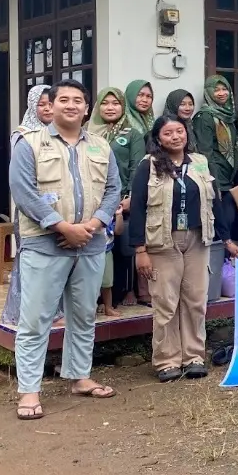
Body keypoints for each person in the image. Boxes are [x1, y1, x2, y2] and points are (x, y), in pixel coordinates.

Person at [9, 79, 121, 420]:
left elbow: (114, 188)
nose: (71, 105)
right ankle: (29, 392)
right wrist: (62, 227)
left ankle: (79, 376)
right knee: (35, 319)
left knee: (83, 314)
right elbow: (23, 191)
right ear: (51, 106)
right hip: (45, 245)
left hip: (89, 244)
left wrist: (94, 225)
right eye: (63, 100)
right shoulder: (29, 144)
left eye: (78, 100)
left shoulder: (101, 146)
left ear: (87, 108)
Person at [130, 115, 216, 382]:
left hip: (197, 239)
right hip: (161, 241)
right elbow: (137, 207)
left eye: (180, 131)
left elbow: (217, 200)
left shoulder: (199, 162)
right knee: (166, 302)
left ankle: (194, 356)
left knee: (195, 299)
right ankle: (167, 360)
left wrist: (227, 237)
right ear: (158, 138)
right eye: (168, 133)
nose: (175, 137)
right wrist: (140, 250)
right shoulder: (149, 165)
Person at [89, 87, 144, 316]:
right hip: (93, 200)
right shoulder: (88, 132)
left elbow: (137, 166)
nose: (110, 107)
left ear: (123, 106)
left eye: (115, 103)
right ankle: (97, 300)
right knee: (96, 249)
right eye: (105, 103)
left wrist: (130, 196)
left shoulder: (133, 133)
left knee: (122, 248)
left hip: (123, 199)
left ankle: (122, 293)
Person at [1, 85, 52, 327]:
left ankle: (53, 313)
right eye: (42, 104)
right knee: (31, 260)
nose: (48, 109)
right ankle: (23, 312)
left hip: (58, 206)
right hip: (31, 207)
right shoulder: (22, 135)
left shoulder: (61, 132)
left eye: (51, 103)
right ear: (33, 106)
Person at [192, 76, 238, 191]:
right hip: (216, 178)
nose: (222, 93)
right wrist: (213, 182)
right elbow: (205, 152)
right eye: (216, 90)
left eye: (224, 89)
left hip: (230, 177)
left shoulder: (229, 116)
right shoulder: (204, 117)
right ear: (208, 92)